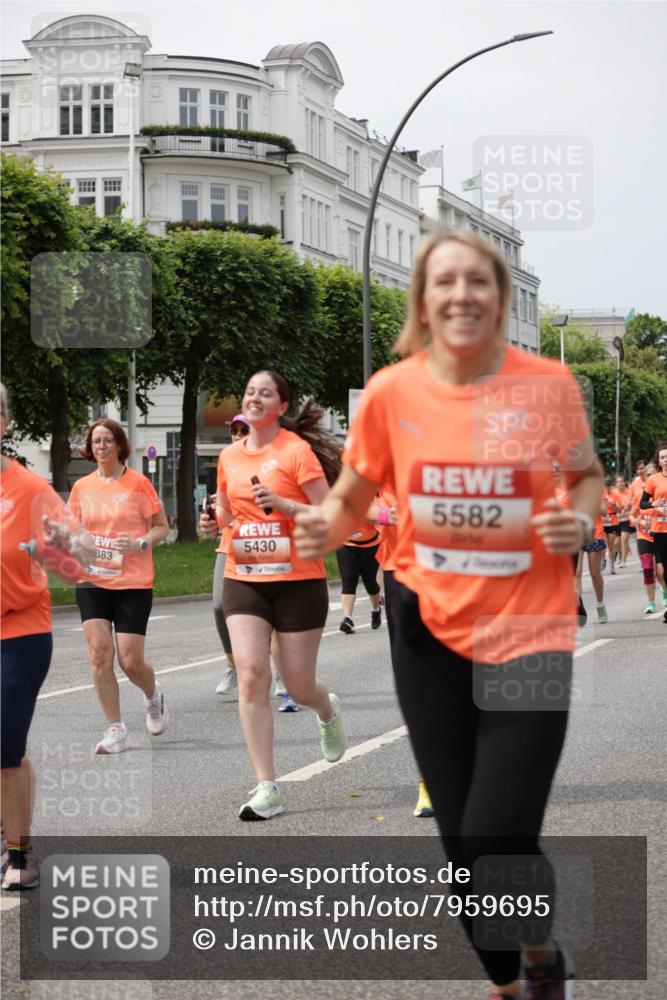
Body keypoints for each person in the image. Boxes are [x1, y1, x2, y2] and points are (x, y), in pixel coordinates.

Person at [295, 229, 604, 999]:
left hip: (527, 626)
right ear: (423, 301)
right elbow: (352, 498)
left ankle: (537, 954)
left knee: (498, 831)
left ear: (498, 298)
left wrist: (579, 519)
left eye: (477, 281)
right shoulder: (392, 392)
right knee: (463, 846)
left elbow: (585, 476)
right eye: (445, 281)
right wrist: (322, 527)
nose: (461, 293)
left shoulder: (546, 386)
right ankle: (515, 979)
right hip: (424, 627)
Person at [200, 371, 346, 820]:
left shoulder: (296, 451)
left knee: (298, 685)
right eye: (250, 392)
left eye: (265, 393)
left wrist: (284, 506)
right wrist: (212, 521)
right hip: (244, 576)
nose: (255, 398)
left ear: (281, 406)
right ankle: (267, 786)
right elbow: (226, 511)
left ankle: (326, 708)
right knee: (251, 675)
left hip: (298, 579)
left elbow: (330, 512)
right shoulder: (229, 456)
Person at [0, 385, 93, 889]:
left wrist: (52, 549)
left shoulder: (31, 489)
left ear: (5, 422)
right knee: (7, 751)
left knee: (4, 744)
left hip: (19, 629)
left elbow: (78, 559)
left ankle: (19, 855)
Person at [68, 419, 169, 754]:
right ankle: (116, 729)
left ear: (120, 445)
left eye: (108, 440)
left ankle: (153, 694)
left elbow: (161, 527)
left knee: (130, 661)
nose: (101, 446)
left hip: (132, 582)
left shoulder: (138, 483)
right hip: (92, 579)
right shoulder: (82, 487)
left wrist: (139, 543)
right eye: (96, 441)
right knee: (99, 655)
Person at [213, 414, 249, 698]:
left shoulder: (271, 460)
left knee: (270, 610)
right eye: (234, 431)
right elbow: (221, 504)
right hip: (229, 543)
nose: (237, 435)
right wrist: (212, 518)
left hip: (263, 543)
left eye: (243, 430)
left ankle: (280, 674)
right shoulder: (226, 460)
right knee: (219, 605)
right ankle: (232, 665)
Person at [336, 523, 382, 634]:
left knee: (371, 584)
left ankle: (376, 609)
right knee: (348, 580)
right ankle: (347, 619)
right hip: (345, 543)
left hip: (371, 544)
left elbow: (378, 517)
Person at [640, 442, 667, 621]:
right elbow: (642, 504)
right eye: (663, 457)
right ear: (659, 460)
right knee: (665, 570)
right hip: (660, 530)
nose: (666, 460)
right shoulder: (653, 480)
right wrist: (654, 504)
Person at [629, 460, 658, 615]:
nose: (649, 478)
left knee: (661, 572)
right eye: (648, 475)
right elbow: (632, 514)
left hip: (660, 534)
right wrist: (637, 521)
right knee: (647, 569)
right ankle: (651, 602)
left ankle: (664, 593)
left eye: (652, 475)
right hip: (644, 535)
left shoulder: (662, 492)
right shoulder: (642, 495)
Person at [601, 478, 621, 574]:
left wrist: (614, 505)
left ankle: (612, 566)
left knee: (611, 545)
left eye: (608, 487)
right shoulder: (600, 495)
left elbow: (619, 510)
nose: (607, 489)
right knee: (602, 544)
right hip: (602, 521)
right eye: (605, 487)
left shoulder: (615, 495)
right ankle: (603, 560)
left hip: (612, 521)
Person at [615, 474, 634, 566]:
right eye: (618, 482)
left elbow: (632, 502)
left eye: (621, 481)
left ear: (624, 482)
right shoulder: (614, 493)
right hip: (616, 520)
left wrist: (628, 505)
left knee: (624, 539)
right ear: (616, 484)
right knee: (616, 542)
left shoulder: (629, 492)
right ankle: (620, 553)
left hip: (626, 519)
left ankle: (623, 560)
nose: (620, 483)